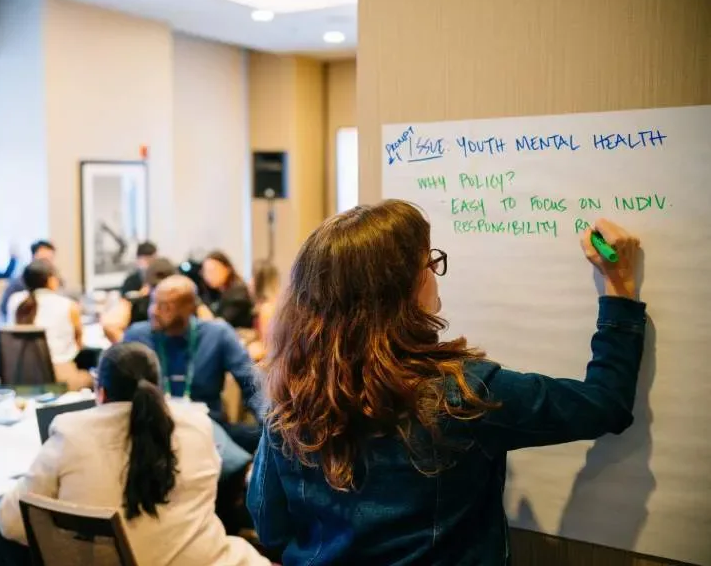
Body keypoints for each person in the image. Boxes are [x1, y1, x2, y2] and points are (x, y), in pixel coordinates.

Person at [247, 200, 645, 566]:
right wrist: (620, 290)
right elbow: (604, 403)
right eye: (429, 263)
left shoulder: (291, 397)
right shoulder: (464, 395)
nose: (435, 276)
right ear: (400, 291)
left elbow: (270, 526)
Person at [0, 343, 270, 566]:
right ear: (159, 388)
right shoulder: (197, 426)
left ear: (101, 391)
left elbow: (12, 523)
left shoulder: (71, 433)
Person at [124, 275, 261, 453]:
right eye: (153, 302)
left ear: (189, 308)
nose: (154, 311)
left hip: (208, 428)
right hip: (155, 431)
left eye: (165, 306)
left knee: (267, 440)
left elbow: (253, 384)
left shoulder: (217, 334)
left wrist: (272, 424)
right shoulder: (137, 336)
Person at [6, 260, 93, 391]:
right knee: (93, 377)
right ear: (51, 280)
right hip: (61, 379)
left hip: (21, 376)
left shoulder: (15, 301)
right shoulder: (68, 305)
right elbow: (79, 343)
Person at [0, 240, 59, 319]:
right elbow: (5, 309)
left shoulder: (56, 280)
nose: (47, 264)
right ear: (33, 257)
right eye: (43, 260)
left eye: (50, 259)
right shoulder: (18, 284)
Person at [201, 250, 255, 330]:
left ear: (227, 269)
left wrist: (200, 307)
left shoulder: (239, 292)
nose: (208, 276)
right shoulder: (213, 292)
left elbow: (220, 325)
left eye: (213, 270)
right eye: (205, 271)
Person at [246, 260, 280, 362]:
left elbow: (269, 348)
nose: (249, 282)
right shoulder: (268, 304)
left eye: (252, 277)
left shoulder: (267, 308)